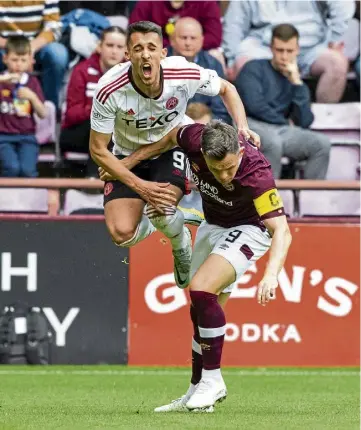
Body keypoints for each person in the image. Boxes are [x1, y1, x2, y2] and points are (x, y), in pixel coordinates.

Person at [112, 120, 292, 412]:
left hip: (249, 228)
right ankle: (196, 391)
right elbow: (172, 136)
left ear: (240, 153)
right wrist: (129, 162)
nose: (223, 175)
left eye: (230, 168)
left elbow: (282, 231)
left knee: (201, 288)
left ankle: (213, 381)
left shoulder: (257, 173)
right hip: (213, 224)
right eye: (216, 168)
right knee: (200, 310)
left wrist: (271, 275)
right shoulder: (195, 138)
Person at [90, 21, 259, 289]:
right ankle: (178, 222)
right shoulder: (109, 88)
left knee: (163, 210)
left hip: (171, 147)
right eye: (137, 48)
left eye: (151, 48)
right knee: (121, 234)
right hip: (126, 154)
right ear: (128, 55)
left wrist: (243, 127)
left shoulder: (182, 73)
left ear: (163, 53)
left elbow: (228, 88)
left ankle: (180, 245)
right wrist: (141, 186)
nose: (145, 54)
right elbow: (98, 149)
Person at [235, 24, 331, 179]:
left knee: (321, 144)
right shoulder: (253, 68)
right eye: (280, 50)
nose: (284, 56)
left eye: (289, 51)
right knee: (273, 144)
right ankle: (268, 200)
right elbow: (255, 106)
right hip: (249, 125)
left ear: (297, 50)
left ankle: (312, 199)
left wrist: (297, 83)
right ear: (272, 48)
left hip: (281, 130)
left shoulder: (296, 81)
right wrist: (285, 123)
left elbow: (305, 121)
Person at [222, 0, 355, 103]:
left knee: (337, 64)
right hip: (265, 46)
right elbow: (234, 24)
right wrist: (232, 58)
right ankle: (267, 120)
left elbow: (343, 4)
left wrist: (335, 39)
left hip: (310, 46)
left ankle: (323, 120)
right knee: (244, 65)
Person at [60, 26, 126, 177]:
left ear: (126, 51)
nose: (114, 51)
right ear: (99, 46)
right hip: (77, 133)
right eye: (109, 45)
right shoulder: (82, 71)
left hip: (117, 134)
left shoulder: (130, 74)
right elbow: (71, 114)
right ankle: (94, 180)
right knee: (103, 123)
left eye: (119, 47)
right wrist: (99, 108)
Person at [0, 0, 68, 109]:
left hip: (37, 46)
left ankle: (49, 110)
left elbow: (54, 28)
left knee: (58, 55)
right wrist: (13, 47)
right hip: (5, 46)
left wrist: (30, 49)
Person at [167, 17, 231, 124]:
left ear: (201, 40)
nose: (188, 43)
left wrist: (209, 120)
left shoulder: (213, 64)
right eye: (183, 38)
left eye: (193, 38)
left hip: (205, 126)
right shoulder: (160, 62)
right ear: (172, 40)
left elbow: (222, 110)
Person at [0, 36, 47, 177]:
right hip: (3, 137)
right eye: (14, 60)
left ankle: (30, 198)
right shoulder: (1, 80)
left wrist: (32, 97)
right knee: (12, 168)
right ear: (5, 58)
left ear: (30, 61)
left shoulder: (32, 83)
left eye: (23, 60)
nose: (18, 65)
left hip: (27, 137)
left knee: (27, 170)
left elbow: (43, 113)